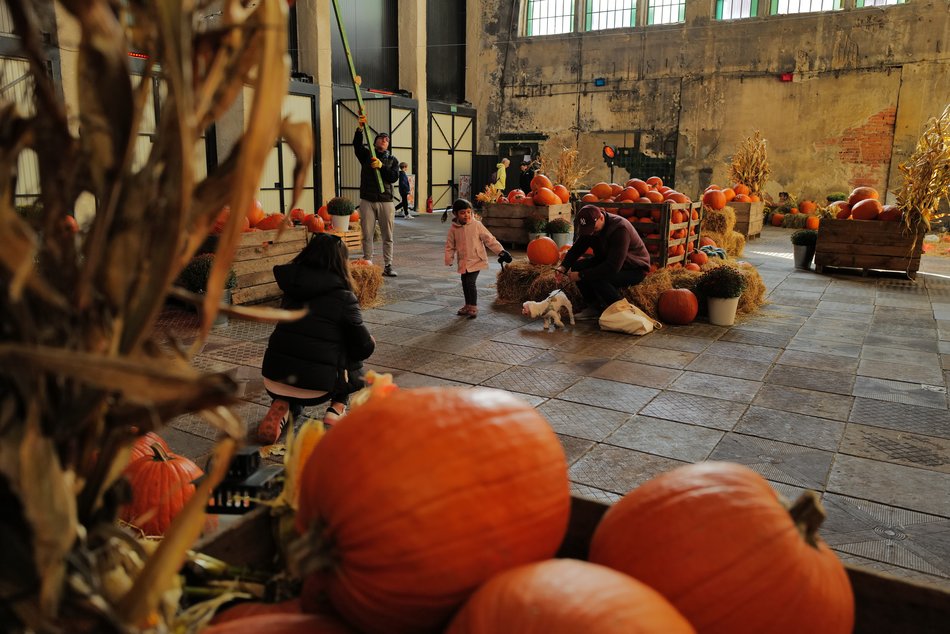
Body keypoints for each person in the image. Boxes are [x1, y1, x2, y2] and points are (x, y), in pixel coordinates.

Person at [256, 233, 376, 443]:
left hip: (274, 378)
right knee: (352, 346)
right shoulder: (344, 297)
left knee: (302, 343)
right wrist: (371, 342)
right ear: (341, 261)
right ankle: (336, 409)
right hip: (317, 388)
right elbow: (362, 348)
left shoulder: (291, 288)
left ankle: (283, 406)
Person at [555, 205, 651, 320]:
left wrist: (582, 275)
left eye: (593, 229)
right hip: (608, 260)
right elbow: (577, 249)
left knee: (598, 277)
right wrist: (563, 267)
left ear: (601, 217)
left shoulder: (619, 229)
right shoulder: (590, 228)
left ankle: (623, 312)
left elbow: (613, 267)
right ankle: (594, 307)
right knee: (577, 266)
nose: (591, 233)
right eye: (588, 230)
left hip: (634, 268)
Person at [443, 198, 510, 318]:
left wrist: (501, 251)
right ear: (455, 214)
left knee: (470, 282)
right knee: (465, 282)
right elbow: (450, 245)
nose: (466, 215)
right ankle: (467, 305)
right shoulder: (454, 229)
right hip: (463, 261)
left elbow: (489, 239)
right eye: (462, 213)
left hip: (476, 259)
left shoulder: (477, 225)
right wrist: (449, 258)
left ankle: (473, 306)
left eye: (469, 212)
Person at [353, 116, 400, 277]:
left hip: (386, 201)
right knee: (367, 233)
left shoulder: (393, 160)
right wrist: (359, 129)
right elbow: (357, 145)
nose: (384, 140)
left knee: (388, 235)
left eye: (387, 140)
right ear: (375, 142)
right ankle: (368, 262)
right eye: (381, 138)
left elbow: (394, 177)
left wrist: (382, 167)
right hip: (367, 200)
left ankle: (388, 265)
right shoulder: (366, 155)